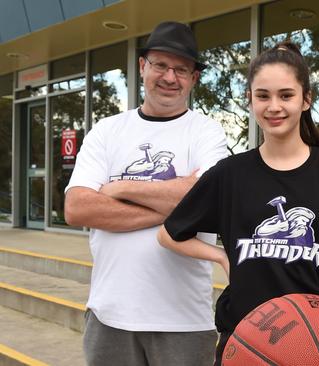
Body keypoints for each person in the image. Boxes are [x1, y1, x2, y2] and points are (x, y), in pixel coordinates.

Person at [157, 42, 319, 364]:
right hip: (245, 333)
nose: (274, 106)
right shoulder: (230, 173)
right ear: (250, 101)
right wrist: (223, 257)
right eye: (263, 96)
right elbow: (169, 234)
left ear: (306, 99)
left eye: (286, 95)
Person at [64, 21, 228, 366]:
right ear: (142, 67)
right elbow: (77, 208)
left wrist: (120, 189)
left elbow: (212, 197)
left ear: (194, 78)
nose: (170, 77)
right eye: (160, 65)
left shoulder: (206, 133)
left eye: (181, 69)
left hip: (184, 322)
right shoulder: (107, 131)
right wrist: (182, 204)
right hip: (109, 316)